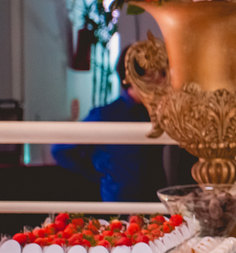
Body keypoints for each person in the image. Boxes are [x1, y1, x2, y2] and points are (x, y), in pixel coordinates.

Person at [52, 44, 165, 201]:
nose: (163, 80)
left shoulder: (159, 113)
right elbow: (60, 149)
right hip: (120, 203)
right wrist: (100, 174)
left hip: (156, 202)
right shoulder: (106, 114)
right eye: (158, 72)